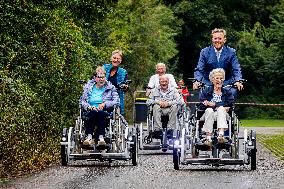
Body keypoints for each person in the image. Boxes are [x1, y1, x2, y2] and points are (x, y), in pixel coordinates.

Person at [193, 28, 243, 98]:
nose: (217, 41)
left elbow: (236, 69)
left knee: (232, 92)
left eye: (220, 38)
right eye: (215, 38)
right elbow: (199, 69)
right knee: (202, 94)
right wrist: (197, 80)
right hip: (208, 83)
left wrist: (238, 80)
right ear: (212, 39)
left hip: (226, 83)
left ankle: (227, 108)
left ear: (224, 40)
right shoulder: (204, 52)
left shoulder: (231, 52)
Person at [81, 66, 119, 146]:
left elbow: (116, 101)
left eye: (103, 77)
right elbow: (82, 101)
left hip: (105, 112)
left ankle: (101, 138)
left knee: (100, 113)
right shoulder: (88, 88)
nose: (101, 79)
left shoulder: (111, 88)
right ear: (95, 78)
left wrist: (105, 104)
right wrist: (89, 107)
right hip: (90, 111)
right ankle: (89, 137)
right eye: (99, 77)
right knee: (94, 112)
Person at [198, 68, 235, 146]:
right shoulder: (206, 91)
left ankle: (221, 135)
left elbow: (230, 104)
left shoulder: (227, 92)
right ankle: (208, 138)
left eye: (221, 78)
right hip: (208, 115)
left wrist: (214, 104)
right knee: (209, 110)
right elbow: (201, 105)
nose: (219, 80)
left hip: (223, 115)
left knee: (221, 109)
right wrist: (218, 105)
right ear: (212, 80)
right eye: (217, 78)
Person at [103, 50, 128, 116]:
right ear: (111, 58)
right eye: (114, 58)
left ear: (121, 60)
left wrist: (125, 86)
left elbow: (125, 87)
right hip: (103, 95)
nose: (116, 60)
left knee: (117, 112)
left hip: (116, 97)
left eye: (118, 59)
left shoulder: (123, 72)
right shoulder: (104, 68)